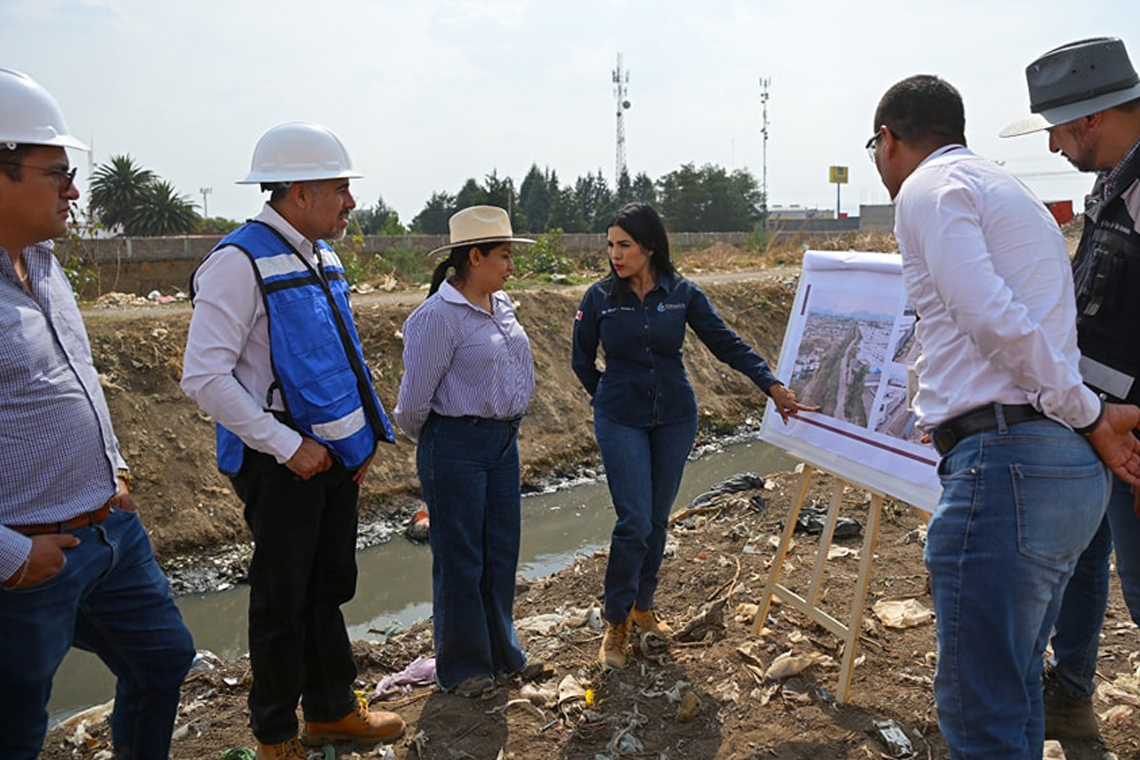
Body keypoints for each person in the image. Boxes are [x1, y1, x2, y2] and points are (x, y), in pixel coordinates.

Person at [869, 74, 1140, 758]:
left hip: (1008, 464)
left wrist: (1089, 413)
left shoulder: (927, 189)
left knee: (979, 709)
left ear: (891, 140)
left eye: (874, 146)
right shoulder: (1003, 191)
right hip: (1049, 471)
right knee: (1013, 687)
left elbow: (989, 314)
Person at [181, 122, 403, 758]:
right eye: (340, 189)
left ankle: (331, 710)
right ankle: (276, 733)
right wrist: (286, 446)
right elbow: (204, 376)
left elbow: (341, 361)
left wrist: (356, 447)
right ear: (298, 192)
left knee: (327, 589)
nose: (351, 203)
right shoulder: (238, 262)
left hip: (332, 460)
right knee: (282, 601)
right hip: (280, 464)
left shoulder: (319, 253)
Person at [0, 68, 195, 759]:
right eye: (56, 172)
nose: (74, 191)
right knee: (16, 729)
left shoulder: (46, 265)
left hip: (108, 532)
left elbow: (74, 378)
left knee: (165, 660)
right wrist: (14, 554)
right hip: (26, 561)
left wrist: (111, 469)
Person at [571, 202, 808, 669]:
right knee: (633, 521)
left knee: (657, 520)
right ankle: (615, 621)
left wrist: (771, 384)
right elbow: (582, 362)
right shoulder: (599, 298)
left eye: (625, 245)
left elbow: (725, 343)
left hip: (676, 418)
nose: (615, 255)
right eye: (611, 246)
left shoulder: (682, 294)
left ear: (650, 247)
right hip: (620, 419)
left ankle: (643, 605)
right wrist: (609, 396)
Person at [1001, 36, 1140, 743]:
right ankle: (1070, 694)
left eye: (1056, 129)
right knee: (1083, 562)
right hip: (1094, 424)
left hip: (1134, 437)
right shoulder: (1113, 183)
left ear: (1089, 118)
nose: (1053, 146)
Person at [394, 205, 535, 696]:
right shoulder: (436, 318)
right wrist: (441, 445)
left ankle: (502, 652)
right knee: (461, 558)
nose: (510, 265)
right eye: (503, 256)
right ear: (474, 257)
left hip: (502, 442)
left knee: (501, 550)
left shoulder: (503, 305)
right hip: (455, 444)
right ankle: (465, 668)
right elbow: (412, 404)